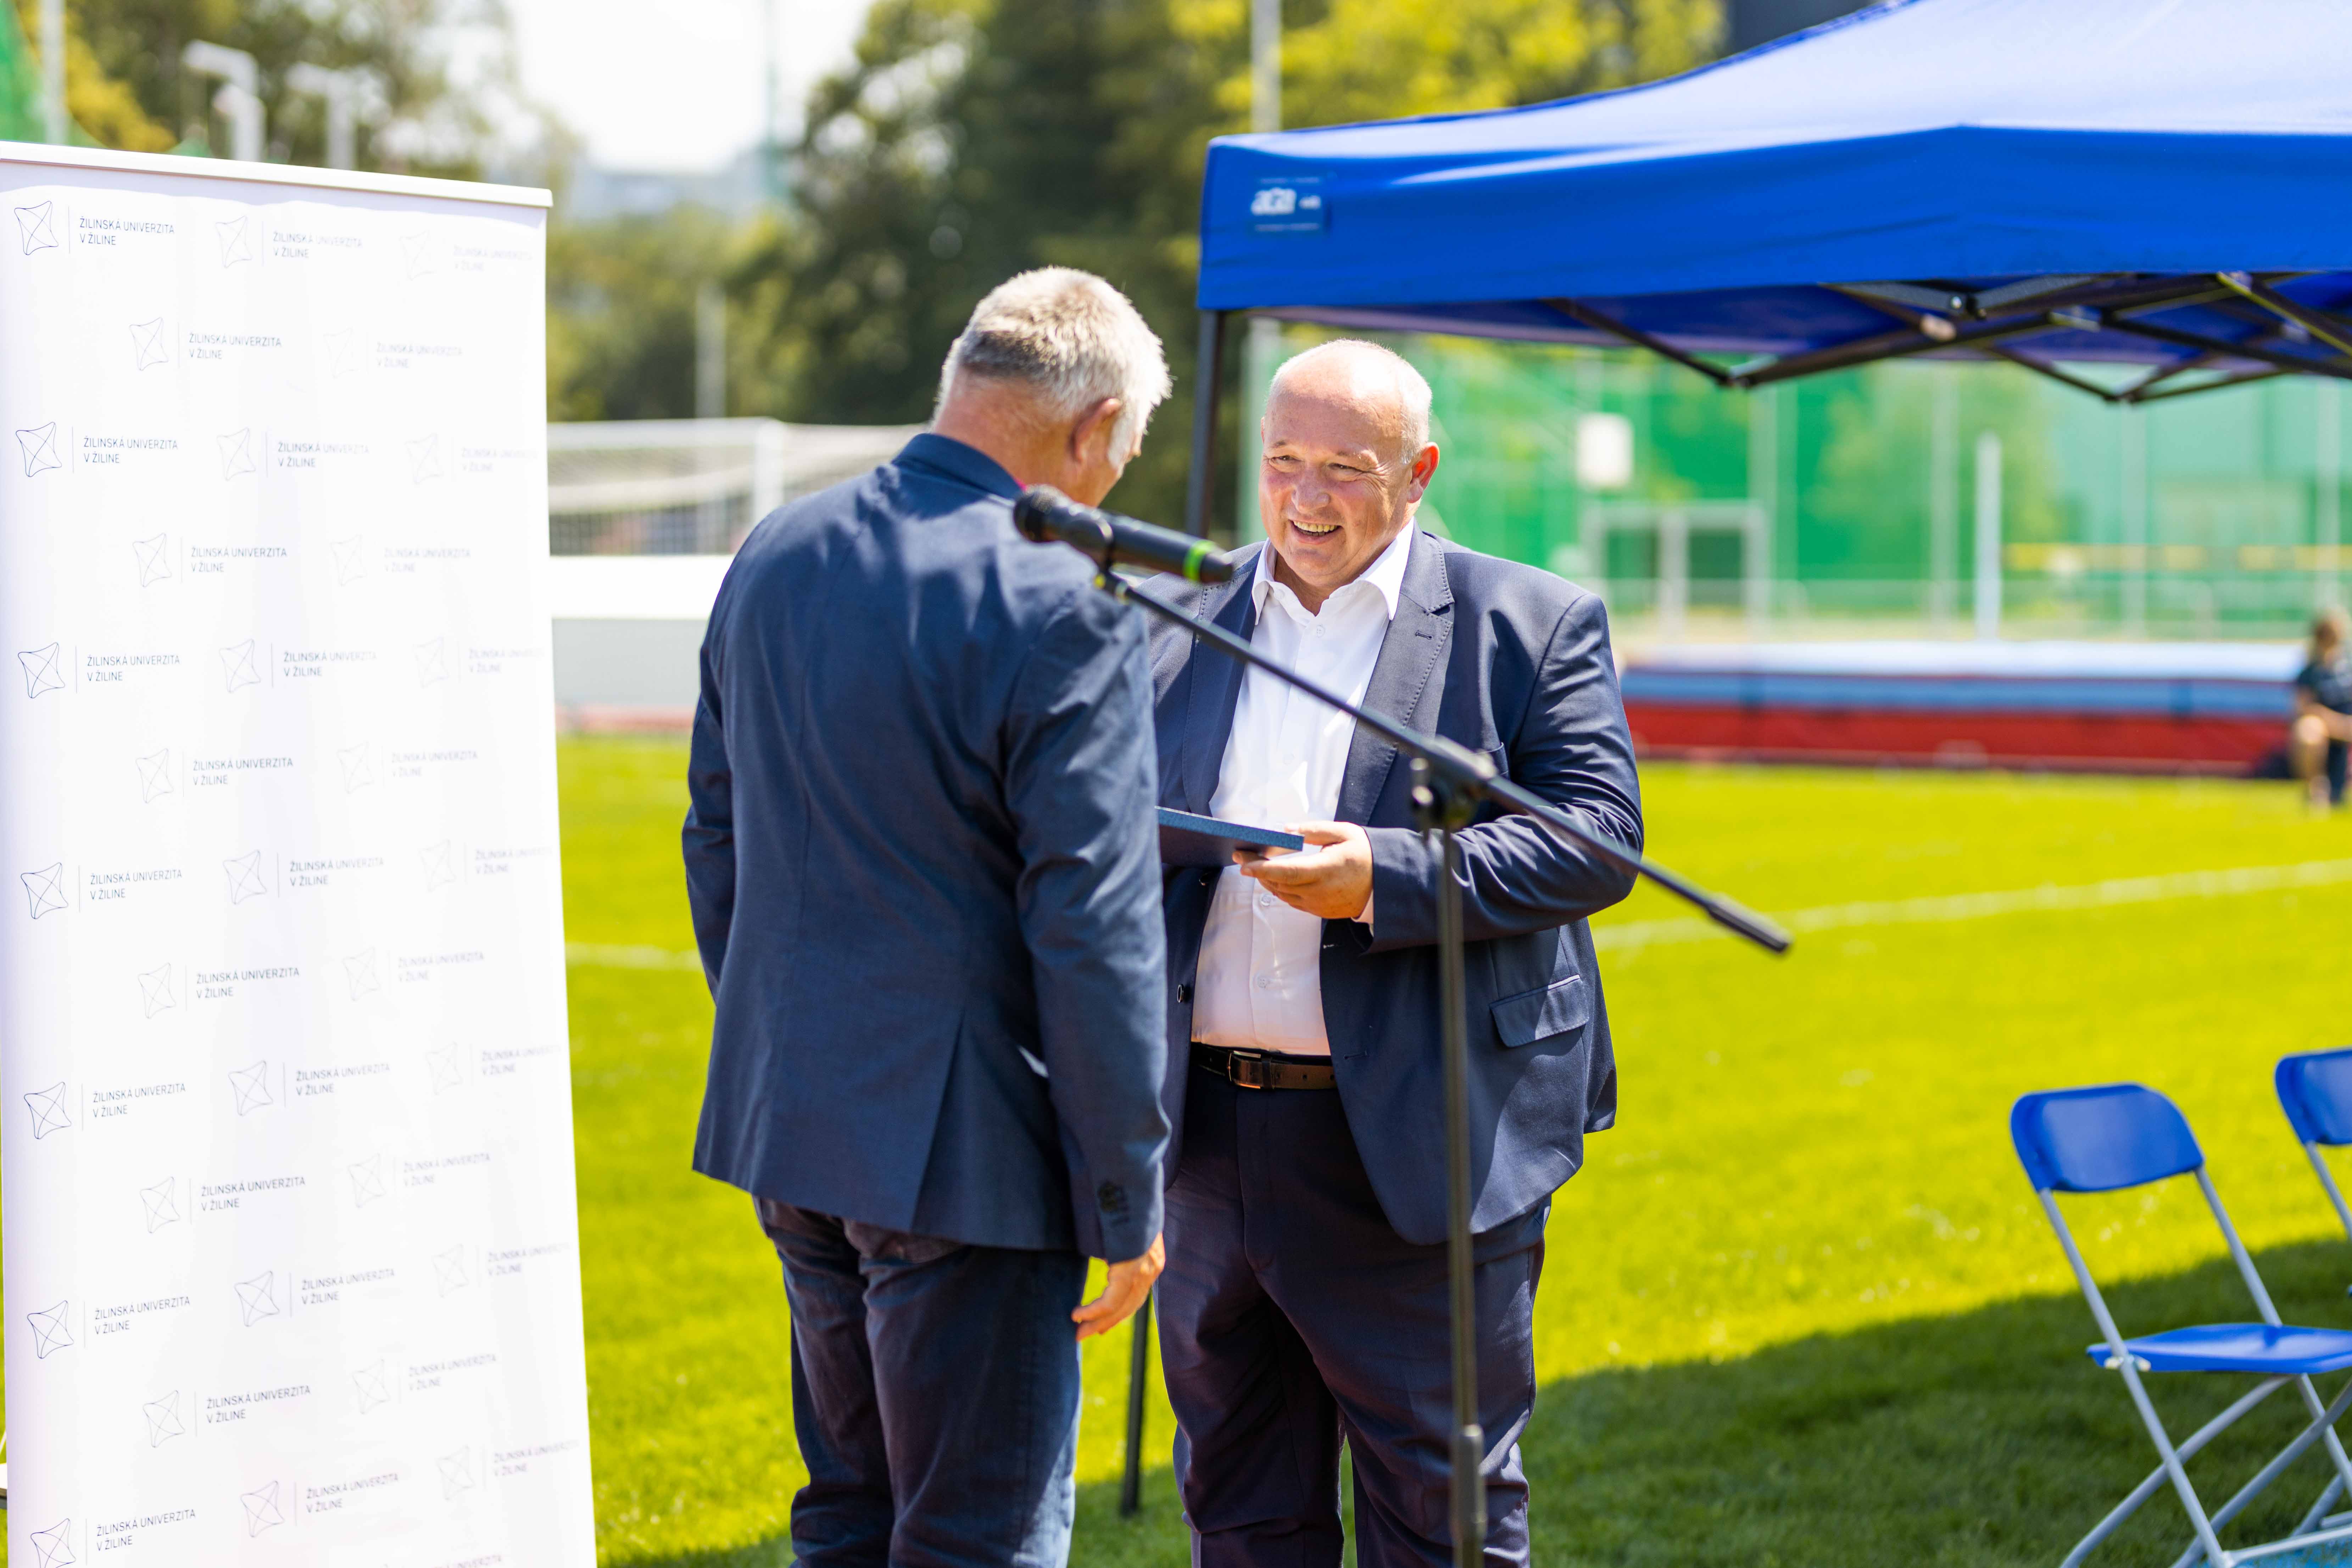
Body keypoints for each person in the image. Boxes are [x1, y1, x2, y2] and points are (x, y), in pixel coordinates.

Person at [682, 268, 1174, 1567]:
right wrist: (1126, 1197)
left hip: (797, 1124)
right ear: (1093, 426)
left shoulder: (777, 549)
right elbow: (1096, 932)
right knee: (978, 1537)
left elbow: (716, 836)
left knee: (848, 1513)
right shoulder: (1065, 603)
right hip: (972, 1163)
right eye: (1124, 454)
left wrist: (789, 1042)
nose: (1113, 482)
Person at [1145, 339, 1643, 1568]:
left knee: (1440, 1512)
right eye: (1282, 462)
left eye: (1344, 469)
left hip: (1414, 1138)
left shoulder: (1525, 620)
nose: (1305, 498)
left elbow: (1596, 841)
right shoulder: (1175, 614)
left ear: (1417, 472)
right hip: (1204, 1142)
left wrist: (1384, 877)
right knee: (1239, 1502)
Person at [2293, 608, 2352, 810]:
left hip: (2346, 723)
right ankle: (2316, 791)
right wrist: (2338, 725)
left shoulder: (2348, 667)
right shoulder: (2310, 671)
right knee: (2307, 731)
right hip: (2326, 726)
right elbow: (2304, 709)